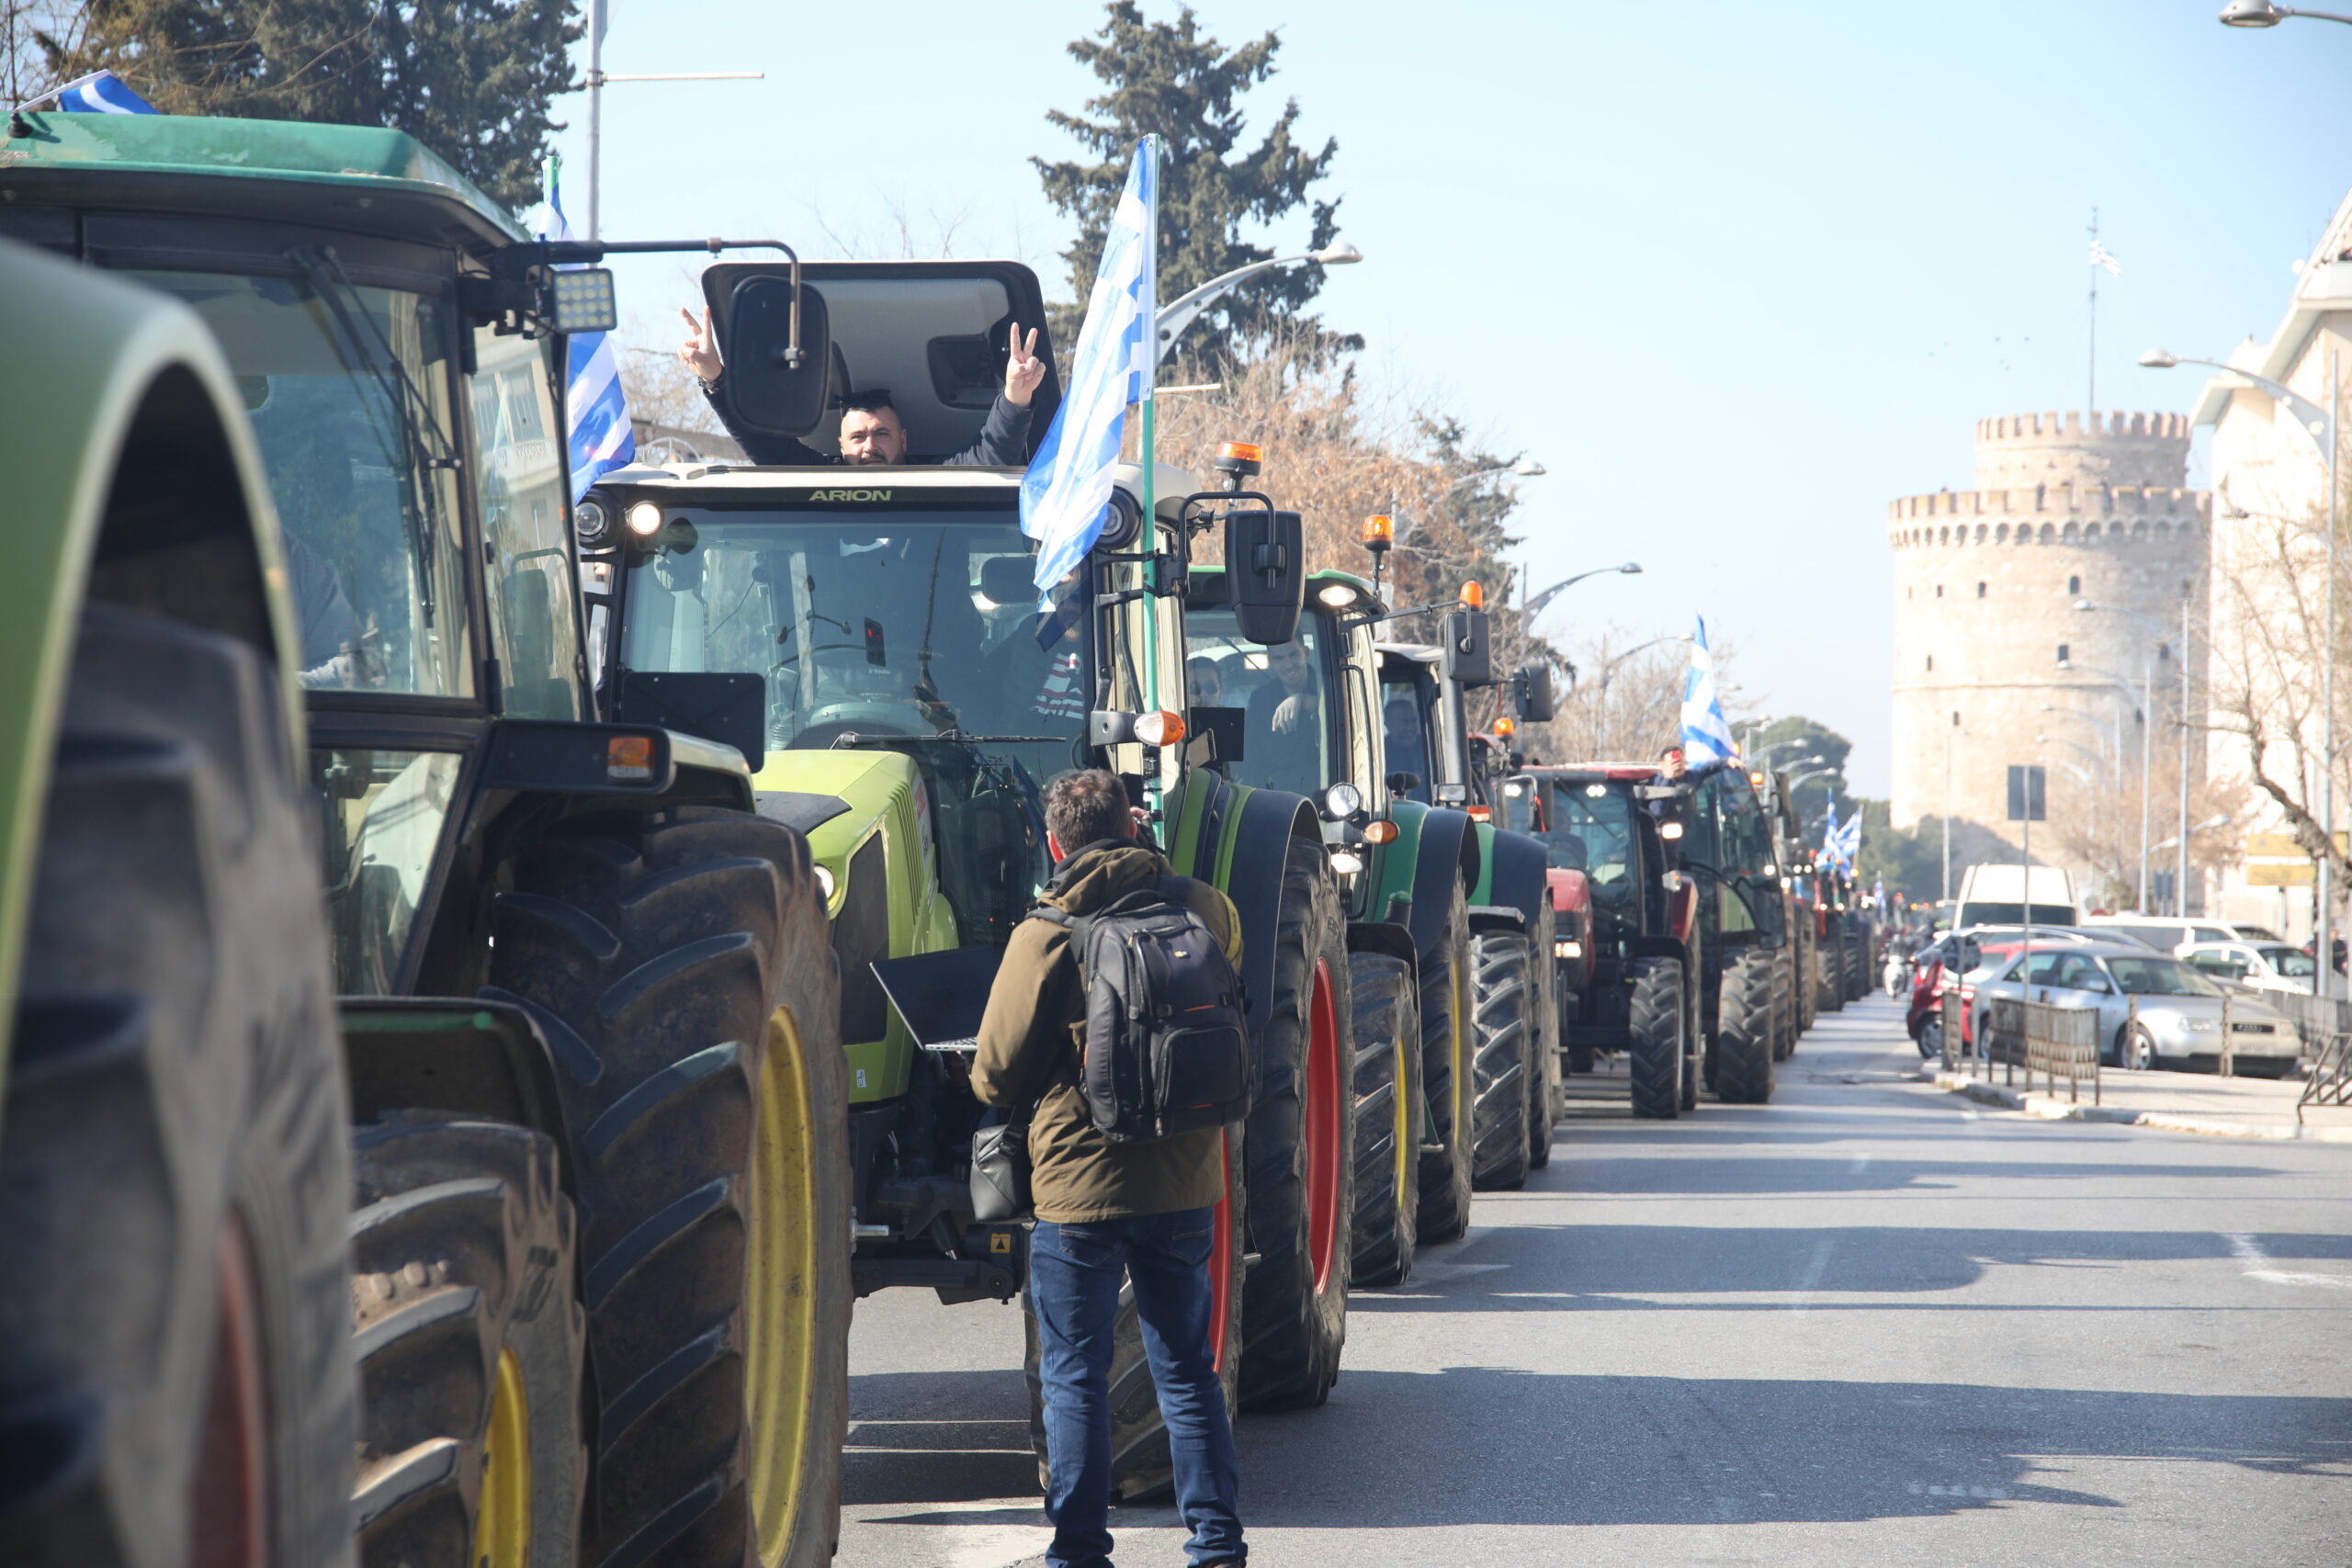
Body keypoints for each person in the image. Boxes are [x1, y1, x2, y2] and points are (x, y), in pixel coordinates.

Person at [970, 769, 1246, 1568]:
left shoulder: (1048, 930)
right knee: (1188, 1369)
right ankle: (1217, 1544)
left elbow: (994, 1070)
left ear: (1056, 841)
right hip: (1187, 1180)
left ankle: (1081, 1554)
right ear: (1133, 825)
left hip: (1077, 1194)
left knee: (1076, 1376)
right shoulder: (1203, 906)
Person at [677, 309, 1045, 466]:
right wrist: (714, 377)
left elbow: (991, 454)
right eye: (858, 438)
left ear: (903, 440)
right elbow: (765, 447)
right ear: (840, 447)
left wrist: (1015, 394)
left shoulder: (939, 480)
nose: (869, 446)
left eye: (881, 434)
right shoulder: (820, 483)